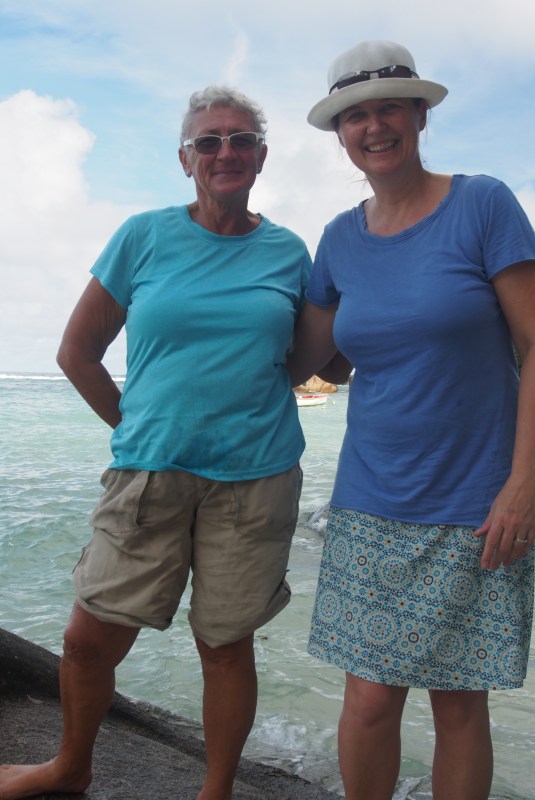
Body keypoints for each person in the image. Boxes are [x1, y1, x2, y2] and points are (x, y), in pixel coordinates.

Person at [0, 85, 310, 800]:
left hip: (255, 479)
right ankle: (69, 768)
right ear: (185, 159)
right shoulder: (143, 235)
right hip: (149, 473)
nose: (224, 152)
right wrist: (132, 426)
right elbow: (77, 352)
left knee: (226, 647)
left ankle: (217, 789)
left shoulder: (289, 252)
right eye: (209, 141)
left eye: (239, 140)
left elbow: (308, 361)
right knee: (86, 638)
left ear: (260, 157)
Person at [286, 40, 535, 800]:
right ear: (340, 135)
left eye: (388, 109)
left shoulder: (483, 203)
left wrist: (524, 483)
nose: (373, 127)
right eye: (355, 117)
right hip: (371, 495)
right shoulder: (339, 238)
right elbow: (307, 357)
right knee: (369, 702)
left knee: (459, 702)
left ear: (420, 114)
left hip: (477, 501)